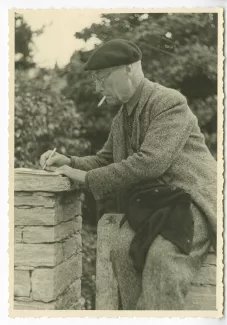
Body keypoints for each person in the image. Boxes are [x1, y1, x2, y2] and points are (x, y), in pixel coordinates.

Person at [40, 39, 217, 310]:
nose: (99, 87)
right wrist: (69, 160)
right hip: (154, 205)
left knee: (162, 257)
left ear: (129, 70)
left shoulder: (169, 102)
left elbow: (150, 162)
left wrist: (85, 178)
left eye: (102, 78)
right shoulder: (122, 117)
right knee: (122, 250)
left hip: (191, 202)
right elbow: (106, 159)